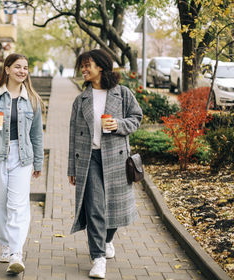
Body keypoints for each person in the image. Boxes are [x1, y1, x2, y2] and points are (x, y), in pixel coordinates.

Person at [67, 49, 143, 279]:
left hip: (116, 158)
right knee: (95, 208)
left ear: (100, 66)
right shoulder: (81, 100)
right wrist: (72, 168)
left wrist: (118, 125)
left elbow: (136, 118)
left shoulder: (123, 93)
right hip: (89, 159)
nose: (83, 69)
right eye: (82, 65)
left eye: (87, 64)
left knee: (115, 206)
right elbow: (72, 135)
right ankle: (98, 258)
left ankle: (108, 239)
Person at [0, 53, 44, 275]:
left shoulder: (33, 100)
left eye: (26, 67)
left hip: (22, 157)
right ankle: (5, 245)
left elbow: (36, 134)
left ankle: (16, 252)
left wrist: (38, 162)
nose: (23, 71)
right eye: (18, 67)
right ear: (7, 69)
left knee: (18, 205)